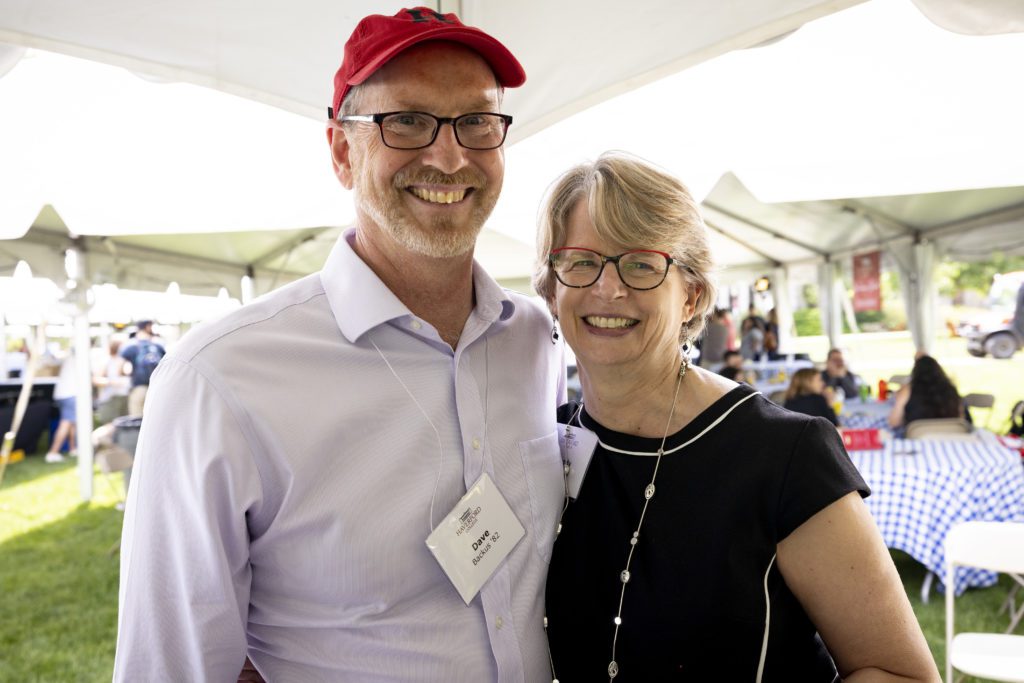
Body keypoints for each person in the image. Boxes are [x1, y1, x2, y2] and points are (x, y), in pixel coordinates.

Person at [114, 8, 565, 682]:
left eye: (477, 121)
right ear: (340, 151)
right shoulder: (219, 380)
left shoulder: (534, 337)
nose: (449, 156)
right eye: (406, 121)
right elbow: (169, 665)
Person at [535, 152, 938, 681]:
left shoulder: (785, 455)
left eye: (640, 264)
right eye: (582, 261)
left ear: (692, 295)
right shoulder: (542, 444)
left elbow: (898, 672)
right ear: (550, 289)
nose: (608, 288)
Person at [888, 354, 965, 429]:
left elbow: (894, 422)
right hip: (951, 434)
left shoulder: (908, 390)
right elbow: (961, 419)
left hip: (918, 435)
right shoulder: (951, 390)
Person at [118, 320, 166, 416]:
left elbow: (120, 369)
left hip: (139, 388)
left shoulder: (130, 345)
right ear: (148, 327)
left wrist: (130, 374)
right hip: (159, 389)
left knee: (137, 421)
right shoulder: (158, 345)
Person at [44, 351, 77, 463]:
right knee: (66, 422)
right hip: (70, 393)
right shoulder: (79, 358)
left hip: (63, 393)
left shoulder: (70, 357)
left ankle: (73, 449)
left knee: (72, 422)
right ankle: (53, 452)